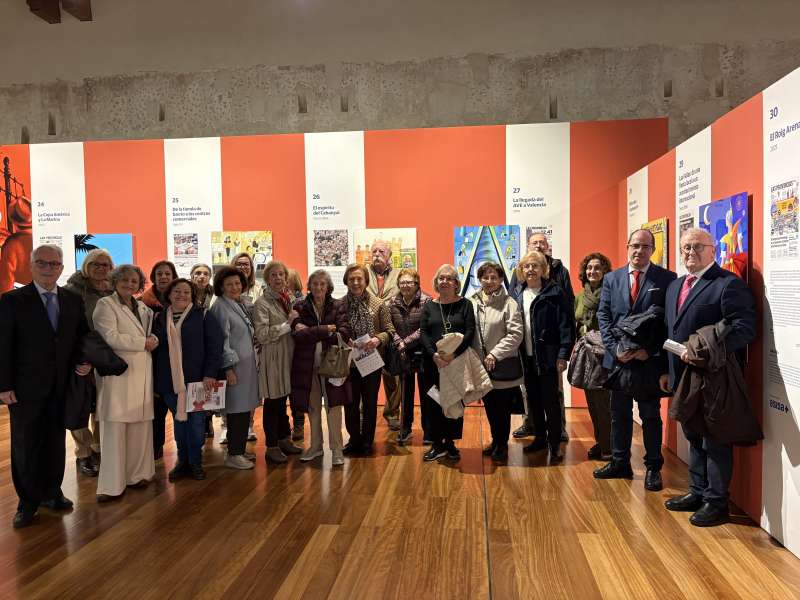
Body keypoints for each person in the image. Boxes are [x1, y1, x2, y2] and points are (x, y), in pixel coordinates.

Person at [662, 228, 756, 527]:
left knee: (715, 442)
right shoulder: (676, 286)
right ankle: (698, 491)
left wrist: (706, 351)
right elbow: (672, 331)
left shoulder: (728, 285)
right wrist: (667, 370)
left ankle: (717, 502)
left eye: (697, 247)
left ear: (713, 250)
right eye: (685, 248)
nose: (690, 253)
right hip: (681, 378)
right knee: (692, 437)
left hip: (712, 380)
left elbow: (745, 329)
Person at [0, 244, 91, 528]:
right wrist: (3, 385)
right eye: (42, 263)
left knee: (54, 442)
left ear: (62, 268)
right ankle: (27, 501)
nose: (48, 268)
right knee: (26, 445)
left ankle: (52, 492)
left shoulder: (72, 300)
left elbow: (81, 339)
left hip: (61, 386)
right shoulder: (12, 300)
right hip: (24, 389)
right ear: (31, 265)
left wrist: (84, 361)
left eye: (54, 264)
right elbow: (3, 346)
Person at [594, 229, 676, 490]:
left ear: (653, 250)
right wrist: (615, 348)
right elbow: (604, 317)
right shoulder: (611, 278)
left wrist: (650, 351)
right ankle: (620, 463)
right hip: (618, 361)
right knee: (618, 414)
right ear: (627, 247)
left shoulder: (667, 279)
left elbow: (668, 323)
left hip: (648, 362)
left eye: (645, 246)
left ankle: (653, 467)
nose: (639, 251)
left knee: (650, 415)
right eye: (634, 246)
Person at [93, 264, 158, 502]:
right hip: (119, 375)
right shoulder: (105, 305)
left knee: (140, 425)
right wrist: (143, 343)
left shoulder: (142, 306)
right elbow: (109, 337)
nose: (129, 284)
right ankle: (111, 485)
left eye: (134, 281)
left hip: (141, 373)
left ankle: (137, 475)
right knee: (115, 430)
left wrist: (152, 339)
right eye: (125, 280)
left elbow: (149, 334)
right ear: (115, 281)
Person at [152, 278, 224, 482]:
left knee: (195, 424)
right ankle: (182, 461)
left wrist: (210, 373)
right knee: (179, 423)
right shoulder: (159, 318)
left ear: (193, 295)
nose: (181, 295)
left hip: (198, 381)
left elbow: (215, 347)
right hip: (170, 382)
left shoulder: (203, 316)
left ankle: (195, 462)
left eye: (186, 292)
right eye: (177, 291)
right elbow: (156, 352)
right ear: (169, 294)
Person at [511, 232, 574, 441]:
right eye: (534, 243)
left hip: (548, 353)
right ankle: (536, 433)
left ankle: (556, 435)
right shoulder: (519, 289)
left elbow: (566, 319)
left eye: (542, 242)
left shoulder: (557, 283)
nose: (531, 269)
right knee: (532, 395)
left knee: (552, 396)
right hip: (525, 353)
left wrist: (563, 352)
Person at [290, 269, 351, 466]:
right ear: (309, 286)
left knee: (334, 408)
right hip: (307, 367)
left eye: (322, 284)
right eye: (315, 284)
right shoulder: (299, 306)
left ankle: (337, 450)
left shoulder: (338, 305)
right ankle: (316, 446)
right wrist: (325, 329)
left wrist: (311, 332)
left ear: (328, 287)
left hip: (332, 366)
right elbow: (297, 335)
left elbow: (344, 332)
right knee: (313, 407)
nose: (318, 287)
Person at [64, 249, 114, 477]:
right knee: (79, 408)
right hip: (81, 359)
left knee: (102, 407)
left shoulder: (114, 291)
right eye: (96, 264)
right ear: (86, 266)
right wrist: (81, 359)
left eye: (105, 265)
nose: (101, 269)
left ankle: (98, 448)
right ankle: (83, 453)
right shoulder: (70, 292)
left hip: (105, 358)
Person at [419, 264, 475, 462]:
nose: (444, 281)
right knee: (434, 403)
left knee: (454, 403)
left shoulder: (465, 305)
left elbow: (470, 332)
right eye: (441, 278)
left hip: (456, 365)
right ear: (436, 282)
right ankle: (437, 444)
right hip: (432, 366)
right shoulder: (429, 306)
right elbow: (424, 333)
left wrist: (453, 355)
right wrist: (434, 355)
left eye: (449, 278)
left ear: (456, 283)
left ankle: (450, 443)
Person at [209, 266, 261, 469]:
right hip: (235, 368)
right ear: (221, 286)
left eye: (237, 283)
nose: (234, 287)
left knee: (243, 409)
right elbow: (222, 340)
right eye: (229, 284)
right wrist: (228, 367)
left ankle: (238, 448)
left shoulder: (235, 304)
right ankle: (234, 454)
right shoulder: (221, 306)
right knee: (236, 410)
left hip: (246, 366)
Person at [471, 262, 524, 461]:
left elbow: (515, 334)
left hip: (500, 365)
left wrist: (494, 354)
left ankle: (502, 445)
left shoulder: (509, 303)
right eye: (485, 277)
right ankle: (495, 441)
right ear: (480, 279)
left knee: (502, 409)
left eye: (494, 277)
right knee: (490, 407)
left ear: (501, 279)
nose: (490, 281)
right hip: (480, 366)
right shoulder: (473, 301)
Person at [342, 263, 395, 455]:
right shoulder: (341, 305)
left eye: (359, 279)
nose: (355, 283)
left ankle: (367, 441)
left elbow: (389, 331)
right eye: (351, 279)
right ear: (346, 282)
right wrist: (343, 338)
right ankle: (354, 439)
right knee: (350, 403)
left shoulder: (378, 304)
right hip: (349, 362)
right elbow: (337, 330)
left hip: (371, 360)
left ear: (365, 281)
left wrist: (376, 339)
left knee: (370, 402)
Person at [253, 261, 302, 463]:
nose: (278, 278)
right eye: (274, 275)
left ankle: (284, 439)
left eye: (281, 274)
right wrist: (287, 324)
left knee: (283, 402)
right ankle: (271, 446)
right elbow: (262, 335)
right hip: (273, 357)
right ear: (267, 279)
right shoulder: (262, 303)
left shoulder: (287, 298)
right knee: (273, 403)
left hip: (288, 355)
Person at [574, 251, 614, 461]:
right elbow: (577, 323)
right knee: (592, 401)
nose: (593, 271)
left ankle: (610, 448)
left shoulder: (611, 293)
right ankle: (601, 442)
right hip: (587, 354)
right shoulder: (580, 296)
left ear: (605, 271)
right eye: (589, 268)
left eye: (598, 268)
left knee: (604, 403)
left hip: (605, 354)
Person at [389, 268, 431, 444]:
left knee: (426, 394)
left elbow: (426, 328)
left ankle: (429, 431)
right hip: (402, 352)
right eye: (402, 282)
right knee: (405, 393)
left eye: (409, 282)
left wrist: (405, 342)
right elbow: (389, 325)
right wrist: (400, 342)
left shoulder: (426, 300)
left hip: (422, 352)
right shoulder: (393, 302)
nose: (405, 285)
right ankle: (405, 429)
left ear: (417, 284)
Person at [141, 260, 178, 462]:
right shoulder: (142, 303)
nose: (163, 277)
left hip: (177, 365)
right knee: (155, 412)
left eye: (167, 274)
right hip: (153, 364)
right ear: (153, 278)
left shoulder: (181, 301)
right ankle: (154, 450)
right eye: (159, 274)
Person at [367, 240, 402, 432]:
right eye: (374, 251)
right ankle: (365, 413)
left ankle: (392, 413)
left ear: (389, 254)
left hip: (390, 331)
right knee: (367, 375)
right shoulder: (364, 274)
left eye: (381, 251)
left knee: (392, 376)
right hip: (369, 333)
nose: (377, 254)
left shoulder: (398, 275)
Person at [231, 251, 261, 442]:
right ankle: (228, 427)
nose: (243, 267)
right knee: (231, 388)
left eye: (247, 264)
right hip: (233, 345)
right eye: (240, 264)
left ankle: (249, 425)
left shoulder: (258, 289)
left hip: (254, 345)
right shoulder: (225, 291)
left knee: (251, 387)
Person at [285, 267, 306, 442]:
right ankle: (285, 427)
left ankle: (298, 424)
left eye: (287, 279)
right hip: (281, 350)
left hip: (298, 350)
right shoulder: (277, 300)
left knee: (296, 390)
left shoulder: (303, 301)